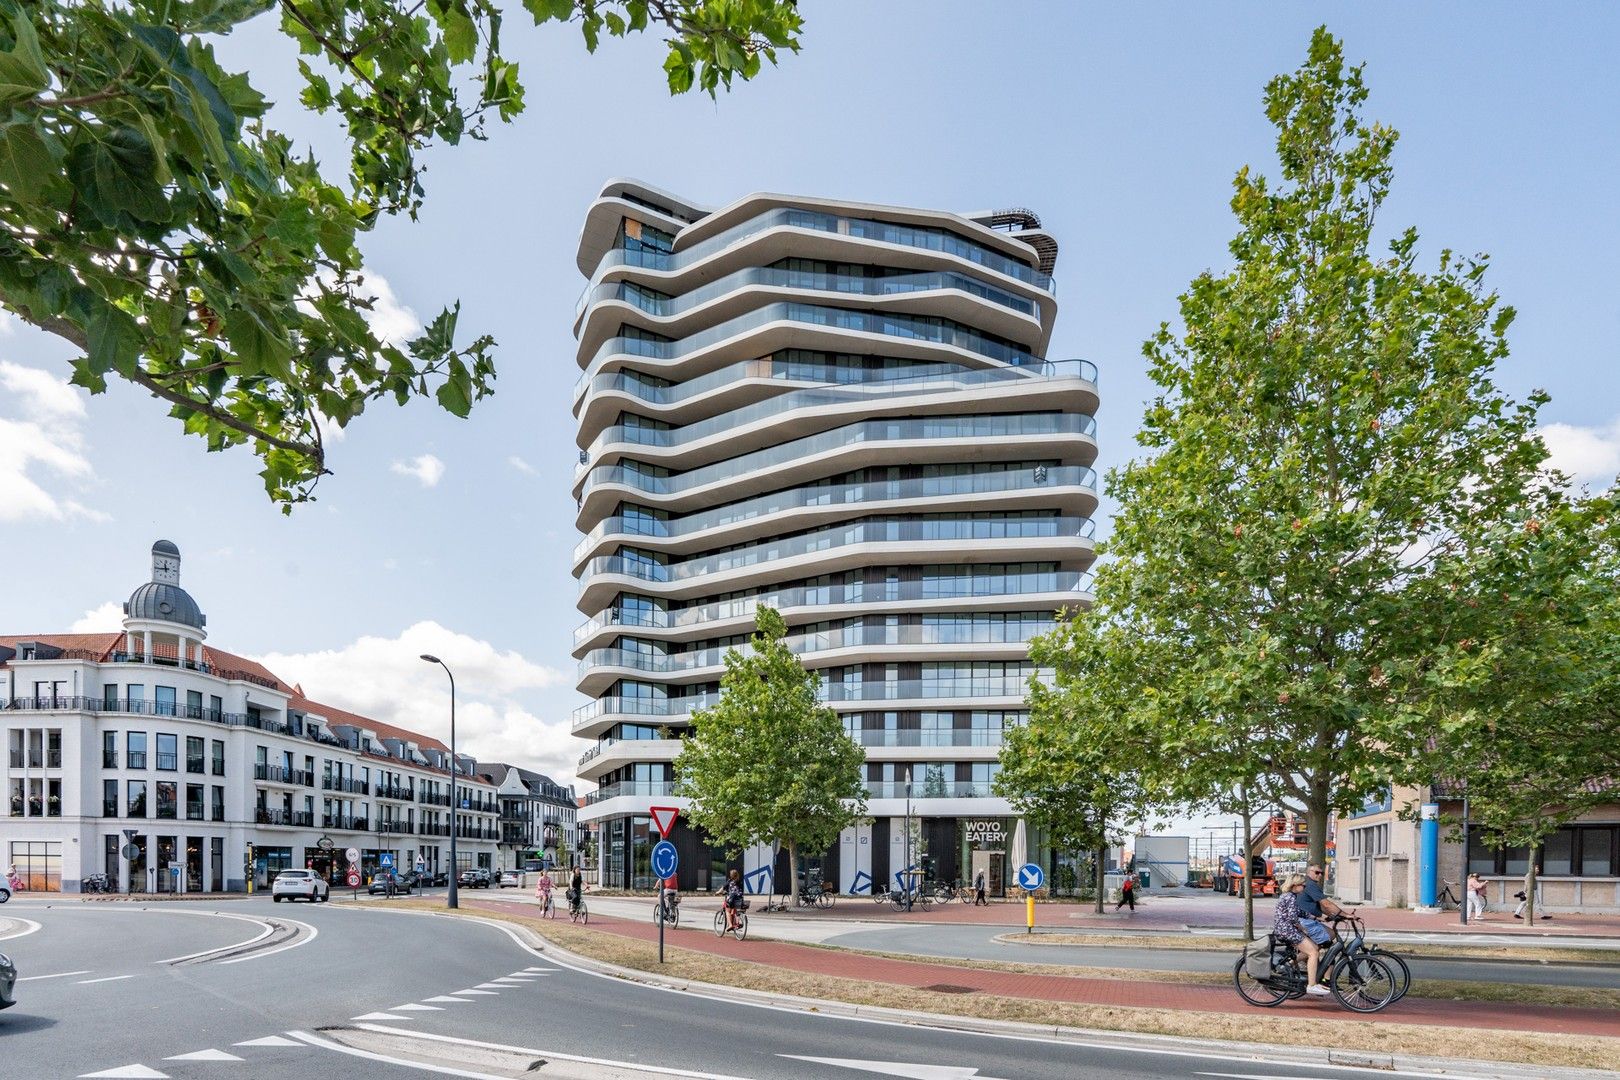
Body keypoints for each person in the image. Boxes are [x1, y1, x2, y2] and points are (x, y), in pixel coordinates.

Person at [1274, 873, 1330, 996]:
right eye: (1303, 886)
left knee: (1315, 948)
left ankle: (1290, 966)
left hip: (1287, 929)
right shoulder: (1289, 897)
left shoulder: (1291, 896)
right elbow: (1293, 917)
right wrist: (1302, 928)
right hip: (1287, 930)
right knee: (1313, 952)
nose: (1304, 888)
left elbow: (1301, 913)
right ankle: (1311, 985)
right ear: (1295, 885)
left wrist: (1318, 918)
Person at [1296, 863, 1346, 963]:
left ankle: (1323, 975)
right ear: (1309, 872)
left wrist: (1332, 915)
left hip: (1306, 919)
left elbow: (1320, 906)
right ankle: (1290, 963)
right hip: (1305, 921)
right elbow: (1326, 904)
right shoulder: (1310, 885)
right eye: (1317, 872)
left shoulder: (1308, 883)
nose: (1319, 875)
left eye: (1321, 873)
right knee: (1319, 945)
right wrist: (1345, 915)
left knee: (1328, 941)